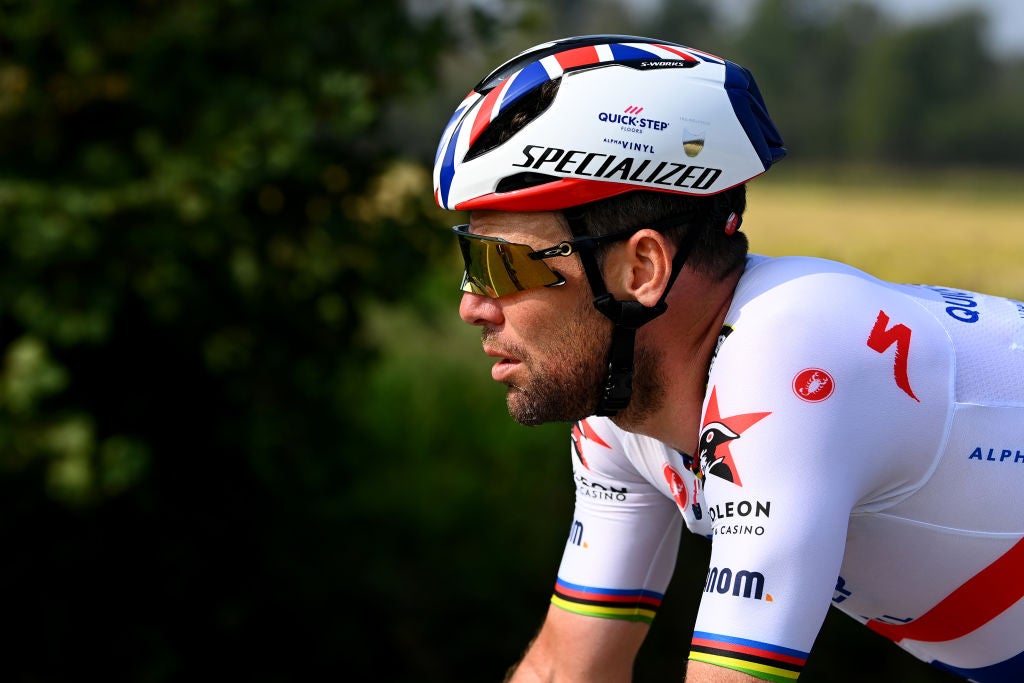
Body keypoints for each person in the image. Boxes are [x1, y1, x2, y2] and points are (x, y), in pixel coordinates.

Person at [432, 34, 1024, 682]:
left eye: (500, 263)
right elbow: (565, 669)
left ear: (642, 268)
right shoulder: (618, 408)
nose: (472, 304)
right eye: (471, 260)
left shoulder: (794, 356)